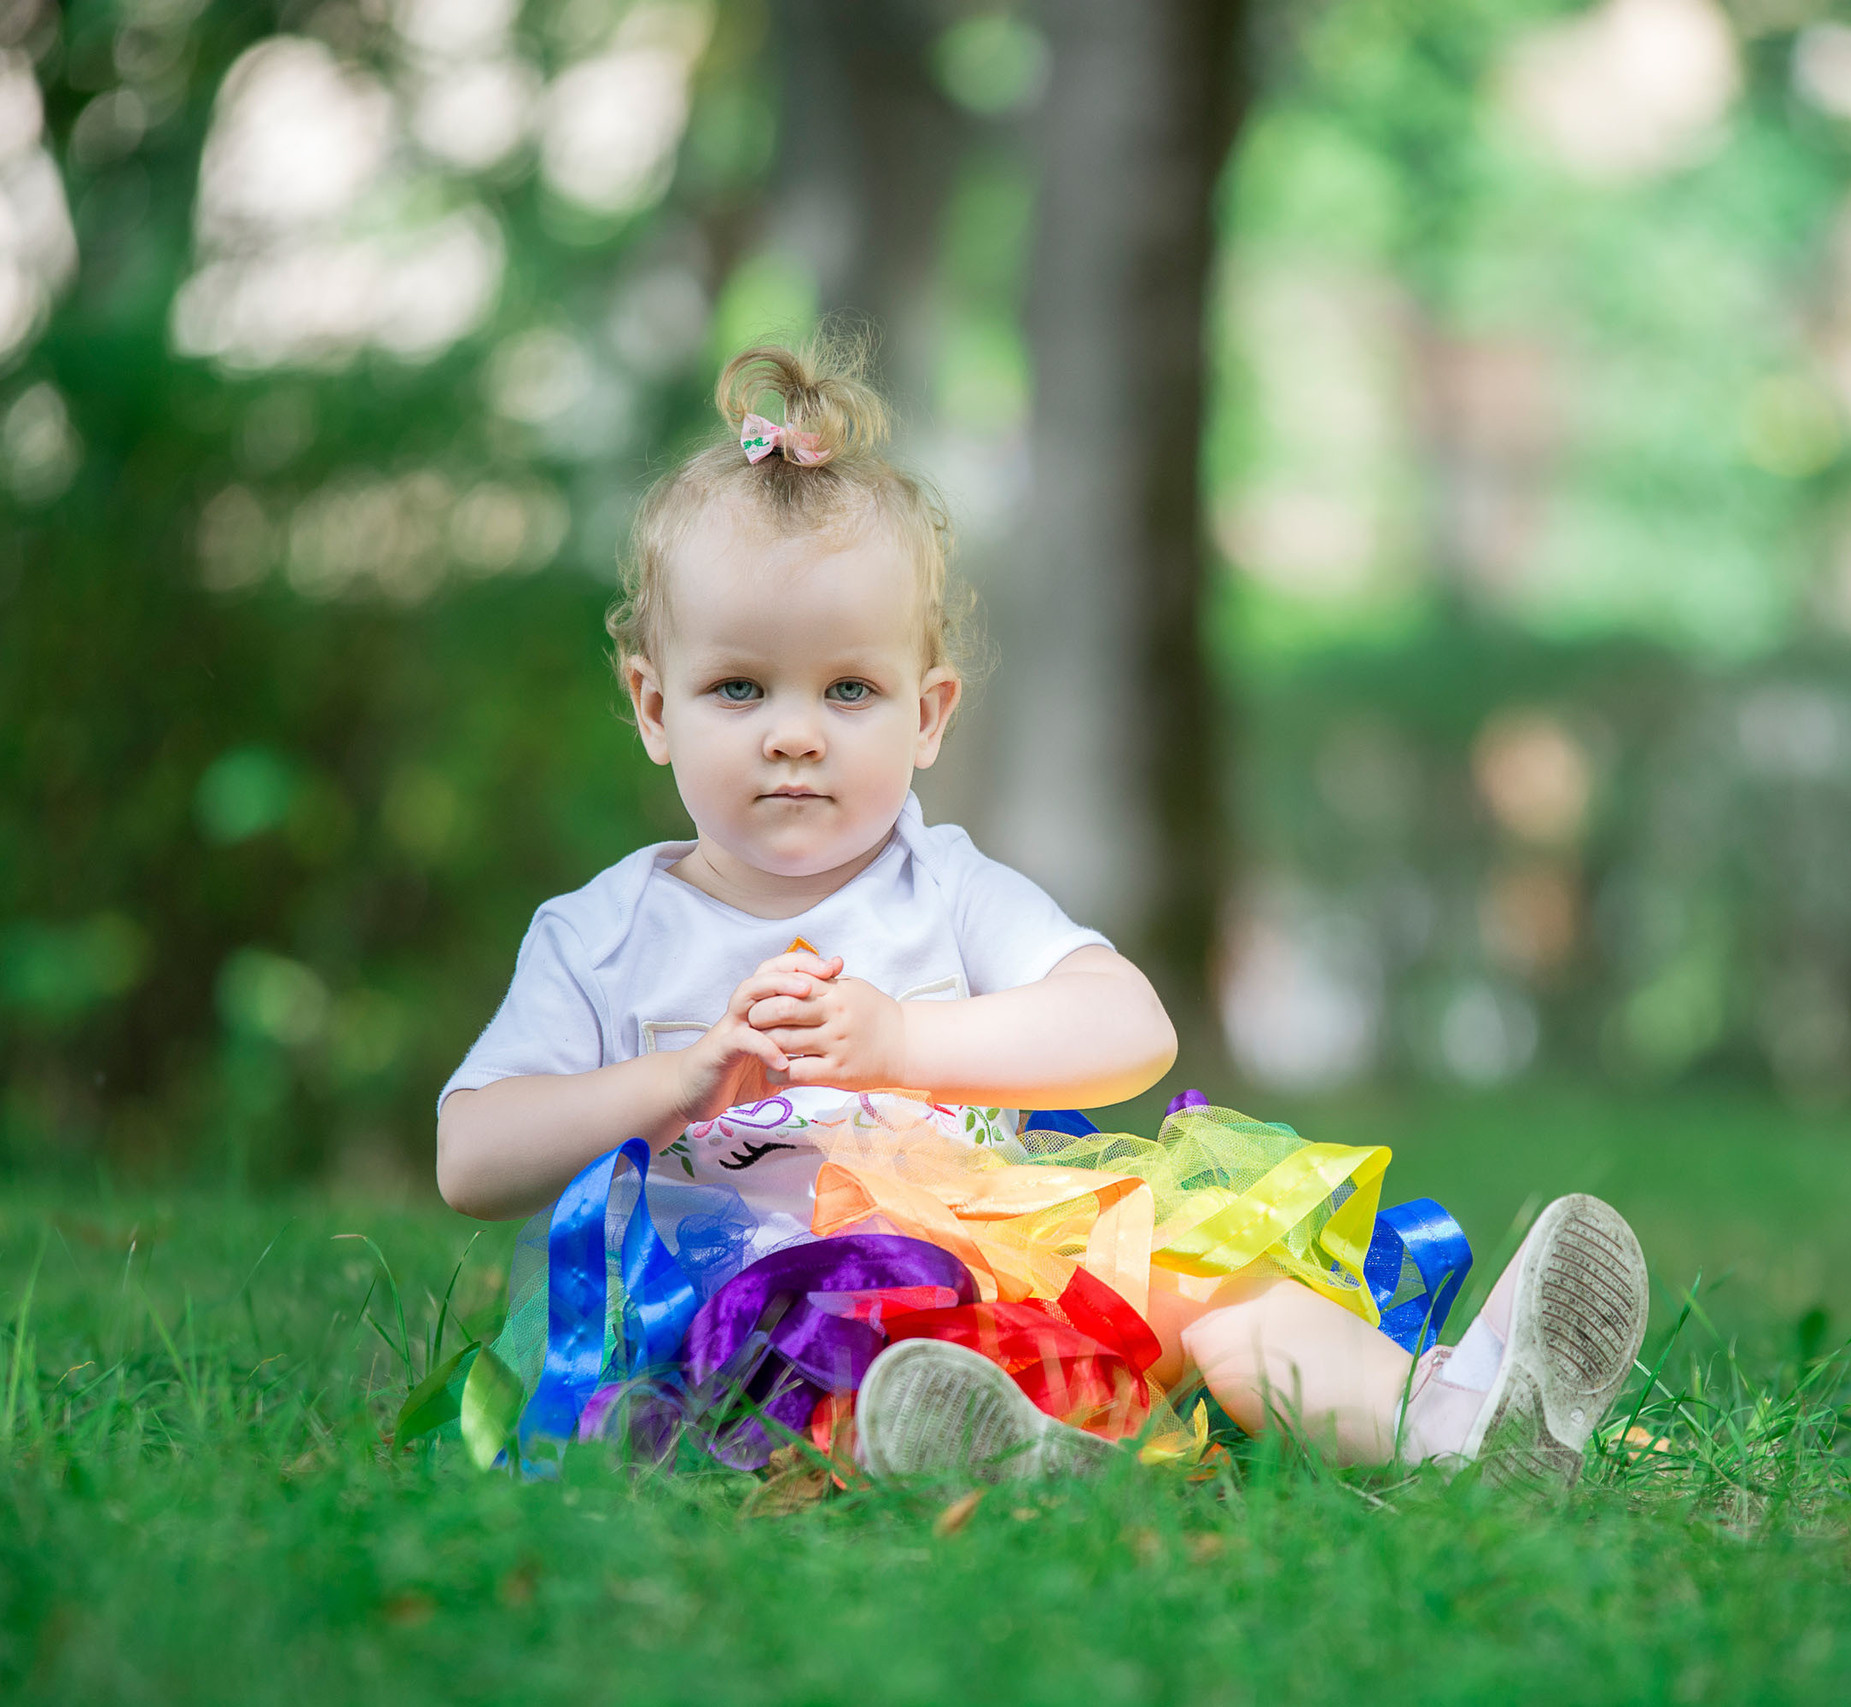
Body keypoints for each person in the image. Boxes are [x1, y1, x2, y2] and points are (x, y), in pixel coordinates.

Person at [435, 332, 1649, 1488]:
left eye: (850, 688)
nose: (795, 732)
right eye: (738, 687)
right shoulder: (601, 933)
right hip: (748, 1333)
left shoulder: (944, 885)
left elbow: (1129, 1030)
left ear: (928, 713)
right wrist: (672, 1086)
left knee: (1207, 1272)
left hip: (1008, 1268)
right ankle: (1018, 1452)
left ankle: (1450, 1422)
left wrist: (906, 1044)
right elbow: (471, 1156)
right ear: (654, 706)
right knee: (850, 1346)